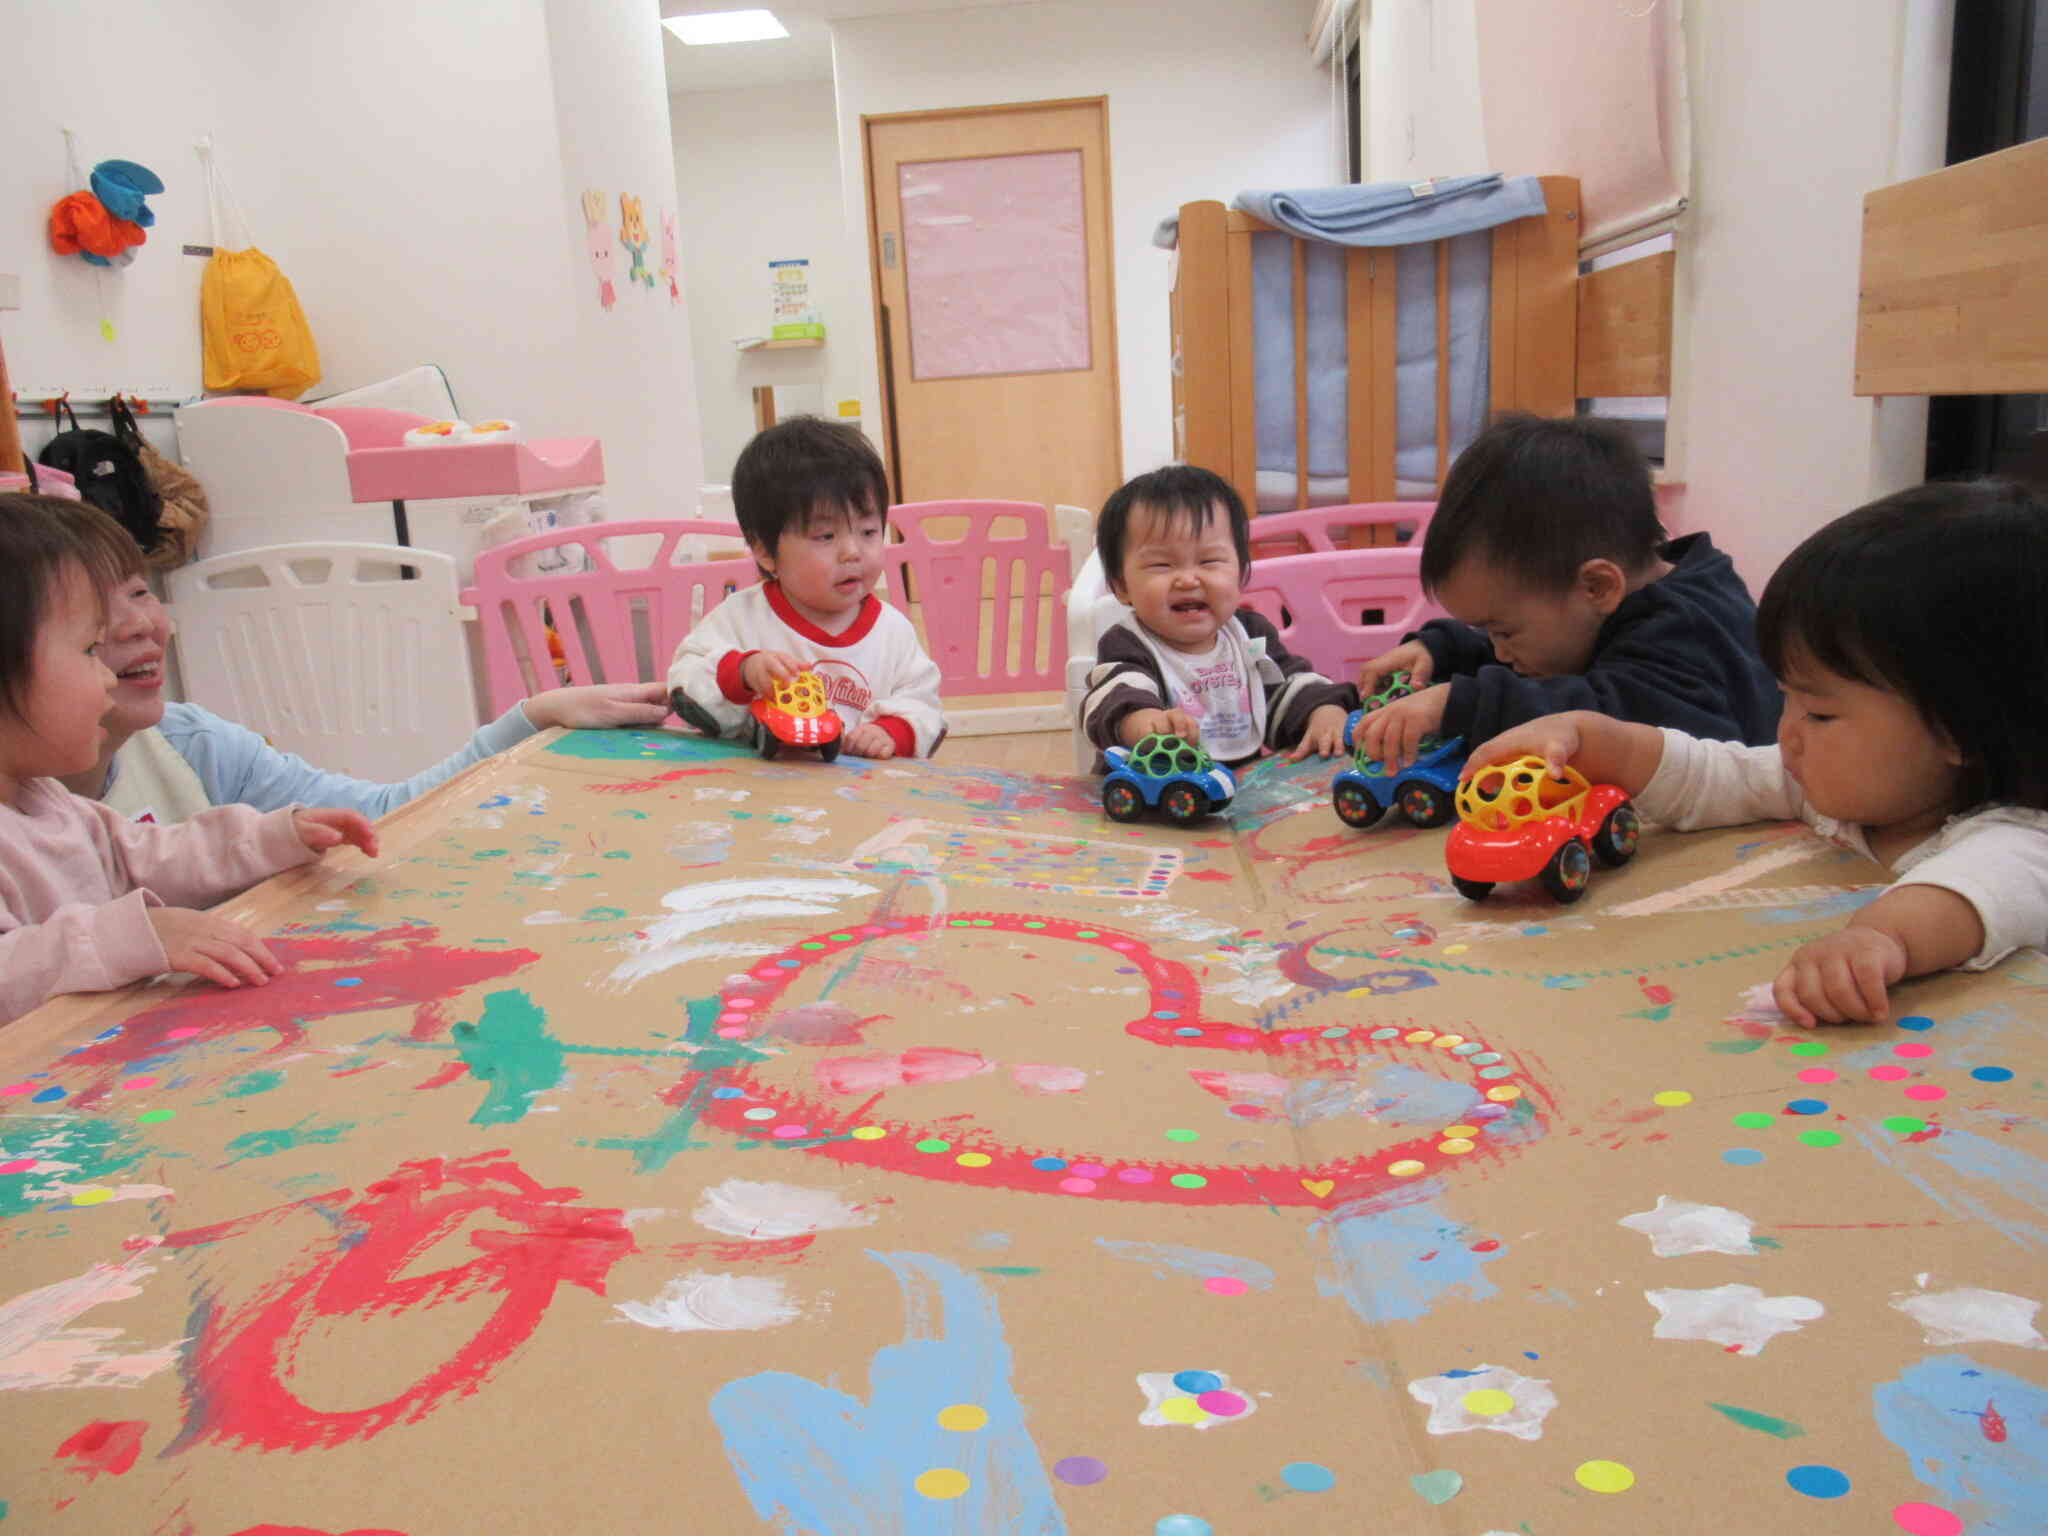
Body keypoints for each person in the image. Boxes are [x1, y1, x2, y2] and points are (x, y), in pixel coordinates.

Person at [1461, 480, 2048, 1028]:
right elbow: (1713, 774)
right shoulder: (1837, 783)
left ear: (1959, 733)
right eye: (1786, 698)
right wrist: (1593, 738)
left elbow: (1964, 893)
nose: (1787, 731)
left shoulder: (2020, 842)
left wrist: (1876, 940)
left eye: (1819, 713)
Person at [27, 493, 674, 824]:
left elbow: (384, 816)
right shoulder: (27, 829)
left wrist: (530, 717)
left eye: (142, 591)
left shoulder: (189, 744)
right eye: (93, 625)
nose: (142, 625)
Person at [0, 494, 377, 1023]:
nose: (106, 675)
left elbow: (151, 856)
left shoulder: (47, 800)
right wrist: (137, 935)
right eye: (88, 651)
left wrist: (270, 838)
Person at [1355, 414, 1779, 773]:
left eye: (1502, 631)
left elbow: (1609, 723)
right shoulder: (1606, 601)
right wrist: (1445, 650)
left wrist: (1462, 702)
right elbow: (1556, 666)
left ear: (1596, 587)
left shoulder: (1687, 630)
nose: (1499, 651)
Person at [666, 417, 944, 758]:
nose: (853, 551)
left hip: (861, 794)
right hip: (760, 793)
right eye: (825, 536)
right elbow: (685, 682)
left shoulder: (893, 632)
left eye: (869, 531)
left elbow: (923, 702)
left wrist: (893, 731)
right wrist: (742, 672)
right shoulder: (740, 618)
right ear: (766, 552)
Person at [1079, 465, 1355, 767]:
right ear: (1121, 586)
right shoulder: (1128, 643)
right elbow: (1114, 696)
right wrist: (1142, 723)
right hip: (1155, 781)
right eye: (1161, 565)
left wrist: (1322, 709)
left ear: (1240, 574)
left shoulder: (1249, 635)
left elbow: (1285, 686)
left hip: (1237, 791)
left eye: (1209, 561)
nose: (1187, 579)